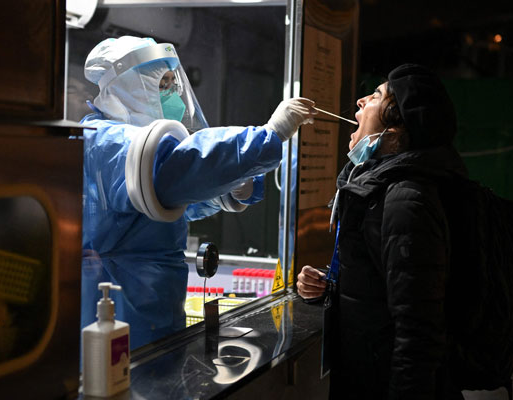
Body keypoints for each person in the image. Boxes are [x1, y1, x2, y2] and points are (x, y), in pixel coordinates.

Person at [80, 36, 315, 349]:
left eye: (173, 83)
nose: (174, 95)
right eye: (163, 85)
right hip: (118, 306)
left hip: (155, 303)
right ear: (129, 87)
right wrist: (266, 137)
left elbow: (177, 199)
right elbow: (174, 171)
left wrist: (234, 187)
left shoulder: (132, 141)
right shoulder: (107, 141)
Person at [296, 64, 468, 399]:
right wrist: (328, 287)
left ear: (396, 129)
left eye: (374, 96)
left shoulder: (406, 200)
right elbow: (383, 293)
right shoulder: (376, 191)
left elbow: (418, 331)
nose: (360, 101)